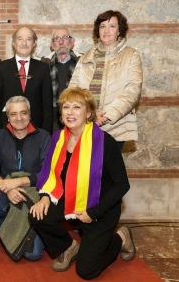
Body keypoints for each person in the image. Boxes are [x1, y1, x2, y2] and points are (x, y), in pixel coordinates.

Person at [29, 87, 135, 280]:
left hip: (99, 209)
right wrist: (45, 197)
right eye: (66, 107)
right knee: (37, 215)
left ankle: (120, 237)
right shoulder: (58, 138)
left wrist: (93, 213)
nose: (70, 112)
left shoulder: (105, 142)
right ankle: (68, 247)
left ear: (88, 113)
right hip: (70, 199)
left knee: (86, 271)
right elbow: (50, 174)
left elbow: (122, 185)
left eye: (77, 107)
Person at [0, 96, 50, 261]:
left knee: (33, 255)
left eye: (23, 113)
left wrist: (18, 182)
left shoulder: (44, 137)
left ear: (30, 114)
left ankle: (22, 231)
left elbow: (47, 173)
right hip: (7, 190)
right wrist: (7, 187)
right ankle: (11, 233)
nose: (19, 118)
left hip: (34, 192)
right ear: (8, 117)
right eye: (14, 114)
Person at [69, 10, 143, 149]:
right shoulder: (86, 57)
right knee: (88, 168)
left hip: (115, 125)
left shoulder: (131, 55)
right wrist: (86, 115)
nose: (106, 30)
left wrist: (104, 117)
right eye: (102, 26)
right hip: (86, 123)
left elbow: (132, 91)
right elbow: (73, 90)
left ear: (119, 31)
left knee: (108, 169)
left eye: (112, 26)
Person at [0, 26, 53, 134]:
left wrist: (46, 133)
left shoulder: (43, 68)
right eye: (20, 39)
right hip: (7, 129)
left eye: (29, 39)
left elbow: (47, 105)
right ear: (14, 43)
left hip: (36, 130)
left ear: (34, 44)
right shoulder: (1, 67)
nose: (24, 43)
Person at [41, 27, 79, 131]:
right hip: (52, 122)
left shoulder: (82, 63)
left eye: (65, 37)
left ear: (72, 42)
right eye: (57, 38)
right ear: (52, 45)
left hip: (77, 118)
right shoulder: (44, 65)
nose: (61, 42)